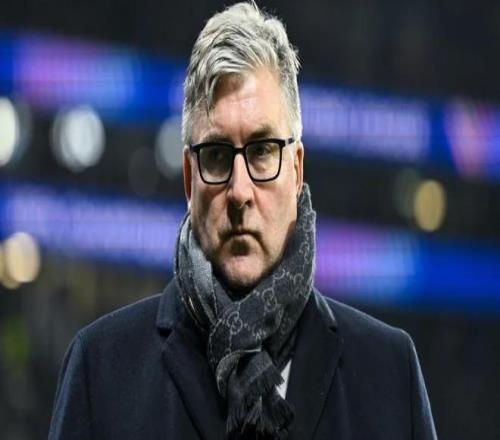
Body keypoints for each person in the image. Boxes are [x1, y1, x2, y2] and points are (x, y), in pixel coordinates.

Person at [49, 2, 438, 439]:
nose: (239, 191)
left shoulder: (390, 373)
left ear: (297, 170)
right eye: (217, 156)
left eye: (262, 151)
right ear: (189, 178)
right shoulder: (100, 371)